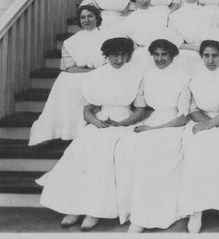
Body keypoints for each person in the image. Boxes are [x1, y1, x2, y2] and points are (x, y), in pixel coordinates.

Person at [36, 37, 146, 232]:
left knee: (104, 154)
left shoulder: (136, 76)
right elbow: (88, 110)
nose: (119, 60)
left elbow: (139, 112)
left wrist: (120, 123)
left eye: (123, 55)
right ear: (106, 55)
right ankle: (74, 207)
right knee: (80, 150)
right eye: (114, 55)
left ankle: (93, 211)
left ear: (128, 55)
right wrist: (96, 122)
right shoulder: (97, 76)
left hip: (124, 122)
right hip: (100, 121)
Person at [115, 38, 190, 233]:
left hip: (172, 125)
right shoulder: (146, 77)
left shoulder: (183, 78)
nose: (160, 58)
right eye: (156, 54)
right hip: (152, 120)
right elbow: (141, 108)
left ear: (172, 56)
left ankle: (159, 213)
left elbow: (182, 119)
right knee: (129, 147)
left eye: (164, 54)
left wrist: (152, 129)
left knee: (158, 150)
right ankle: (138, 213)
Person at [179, 34, 219, 234]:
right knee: (196, 151)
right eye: (206, 55)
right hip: (201, 121)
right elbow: (192, 108)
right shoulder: (195, 78)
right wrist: (206, 124)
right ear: (201, 56)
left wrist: (212, 124)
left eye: (215, 55)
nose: (210, 60)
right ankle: (196, 210)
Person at [29, 5, 106, 146]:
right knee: (64, 80)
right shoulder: (71, 42)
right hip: (84, 73)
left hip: (104, 73)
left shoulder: (107, 36)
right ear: (79, 20)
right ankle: (67, 129)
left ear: (97, 17)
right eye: (83, 17)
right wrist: (92, 72)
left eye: (90, 16)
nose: (86, 20)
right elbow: (70, 68)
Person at [119, 0, 176, 74]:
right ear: (134, 0)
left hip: (164, 48)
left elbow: (171, 32)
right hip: (144, 52)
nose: (145, 1)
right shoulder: (128, 20)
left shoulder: (161, 14)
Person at [169, 0, 215, 74]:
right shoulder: (175, 16)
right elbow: (175, 42)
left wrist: (202, 47)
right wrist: (195, 47)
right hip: (183, 54)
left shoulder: (208, 13)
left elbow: (212, 35)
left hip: (205, 52)